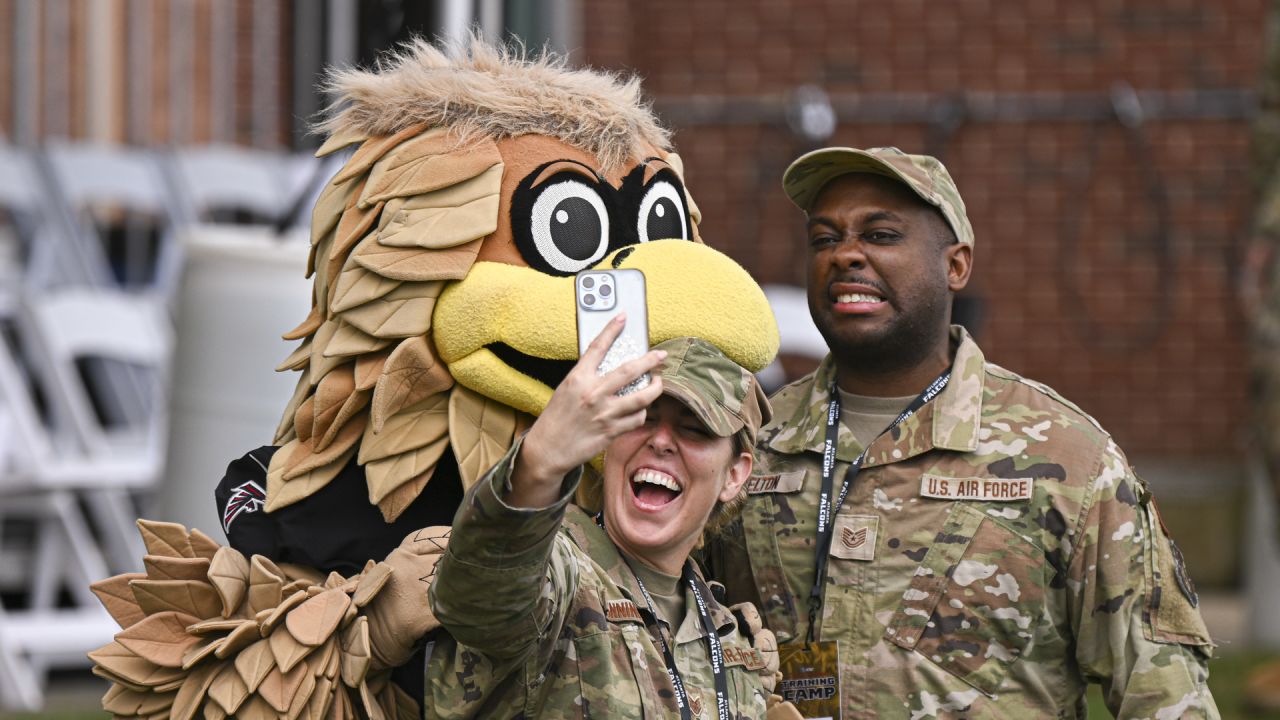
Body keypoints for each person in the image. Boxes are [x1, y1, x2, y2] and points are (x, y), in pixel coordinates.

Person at [703, 146, 1220, 718]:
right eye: (825, 239)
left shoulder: (1068, 457)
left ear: (956, 265)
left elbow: (1165, 696)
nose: (846, 254)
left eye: (881, 235)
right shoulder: (751, 442)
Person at [426, 321, 791, 718]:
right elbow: (481, 597)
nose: (661, 440)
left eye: (694, 430)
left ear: (735, 474)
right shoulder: (557, 574)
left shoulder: (734, 642)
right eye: (641, 417)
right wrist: (539, 462)